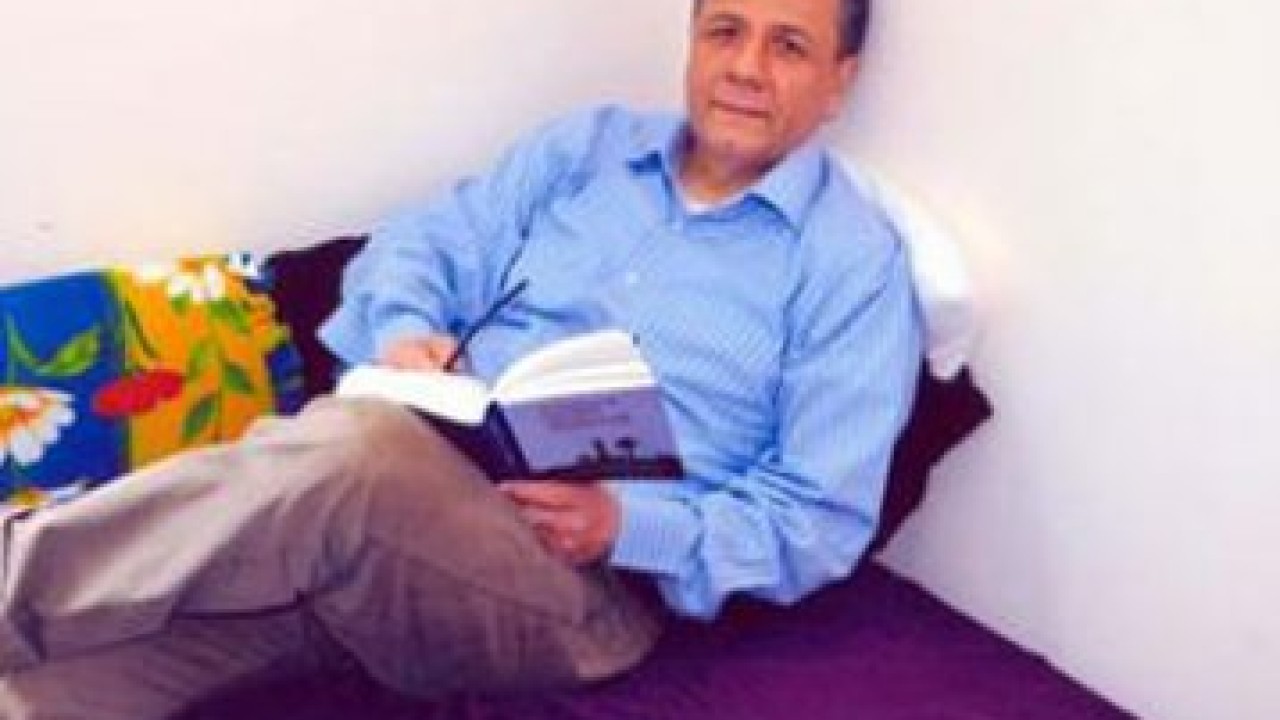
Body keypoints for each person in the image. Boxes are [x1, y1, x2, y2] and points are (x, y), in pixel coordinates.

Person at [0, 0, 920, 717]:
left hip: (581, 588)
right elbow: (421, 244)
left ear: (838, 81)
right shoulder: (589, 149)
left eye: (788, 46)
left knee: (351, 455)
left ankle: (12, 576)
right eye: (725, 31)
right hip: (400, 504)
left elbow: (818, 519)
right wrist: (405, 331)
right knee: (62, 683)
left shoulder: (852, 265)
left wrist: (621, 526)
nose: (746, 68)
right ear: (692, 43)